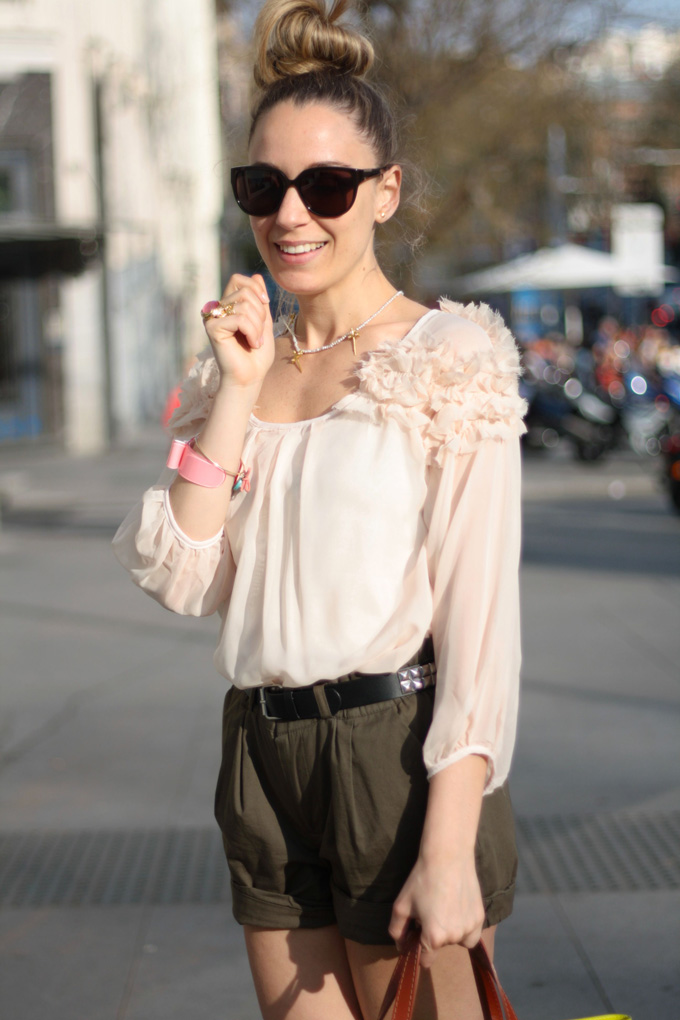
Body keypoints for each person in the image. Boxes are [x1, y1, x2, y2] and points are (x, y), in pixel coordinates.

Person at [113, 1, 527, 1016]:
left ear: (385, 192)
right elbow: (181, 575)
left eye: (326, 185)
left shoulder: (447, 358)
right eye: (264, 186)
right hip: (261, 754)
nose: (290, 215)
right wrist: (237, 392)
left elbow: (480, 632)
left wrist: (446, 850)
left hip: (396, 755)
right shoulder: (239, 365)